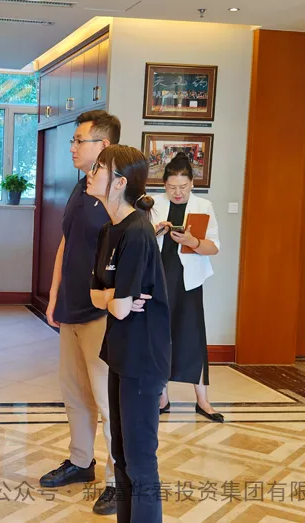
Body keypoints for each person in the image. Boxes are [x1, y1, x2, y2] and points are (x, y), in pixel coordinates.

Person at [41, 110, 139, 516]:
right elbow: (66, 244)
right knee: (75, 393)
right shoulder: (81, 187)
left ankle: (119, 480)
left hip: (102, 314)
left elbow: (129, 258)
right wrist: (53, 296)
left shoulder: (119, 199)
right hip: (71, 309)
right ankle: (81, 461)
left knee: (108, 401)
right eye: (74, 140)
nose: (73, 147)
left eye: (79, 140)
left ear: (104, 146)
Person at [89, 144, 171, 522]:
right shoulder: (108, 230)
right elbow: (97, 296)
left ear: (120, 182)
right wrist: (114, 297)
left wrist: (113, 299)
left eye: (99, 168)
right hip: (120, 351)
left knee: (139, 461)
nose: (91, 173)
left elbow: (120, 307)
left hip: (144, 356)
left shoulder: (137, 231)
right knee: (121, 456)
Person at [151, 153, 223, 422]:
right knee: (160, 335)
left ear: (192, 183)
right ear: (164, 186)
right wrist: (155, 231)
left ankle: (203, 401)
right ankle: (162, 396)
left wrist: (192, 241)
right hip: (158, 277)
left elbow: (213, 247)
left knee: (193, 335)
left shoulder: (204, 206)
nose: (177, 192)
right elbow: (138, 242)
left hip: (189, 281)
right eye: (171, 187)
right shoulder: (154, 204)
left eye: (183, 187)